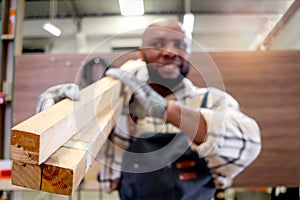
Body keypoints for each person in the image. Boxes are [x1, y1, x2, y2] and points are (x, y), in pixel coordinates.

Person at [36, 18, 261, 200]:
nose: (170, 52)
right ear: (142, 53)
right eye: (158, 43)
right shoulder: (116, 102)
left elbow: (249, 142)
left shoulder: (211, 100)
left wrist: (165, 110)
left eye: (180, 45)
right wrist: (58, 117)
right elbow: (70, 150)